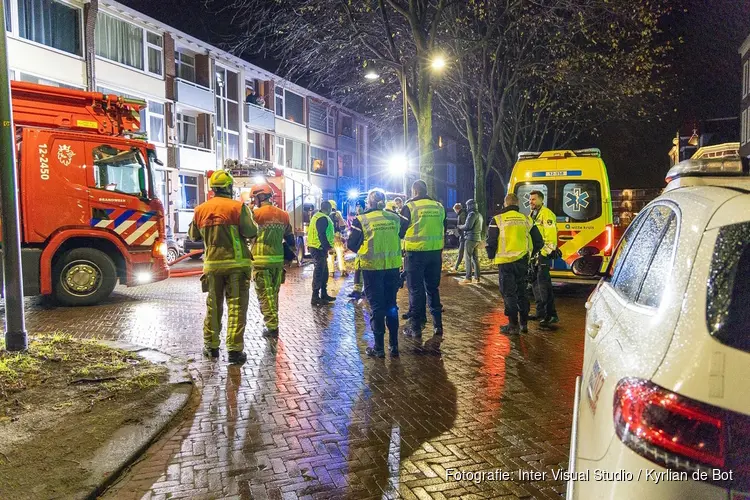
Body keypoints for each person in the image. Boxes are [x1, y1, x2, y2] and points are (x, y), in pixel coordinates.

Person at [189, 170, 257, 364]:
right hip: (237, 266)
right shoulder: (238, 207)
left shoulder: (200, 209)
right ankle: (235, 352)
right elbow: (251, 231)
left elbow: (193, 236)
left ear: (213, 188)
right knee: (236, 307)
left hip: (212, 266)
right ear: (228, 187)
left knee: (213, 306)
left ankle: (211, 347)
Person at [347, 189, 408, 357]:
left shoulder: (362, 220)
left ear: (369, 202)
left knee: (376, 307)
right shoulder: (395, 218)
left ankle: (379, 347)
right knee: (391, 306)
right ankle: (394, 346)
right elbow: (404, 228)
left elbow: (352, 244)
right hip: (392, 268)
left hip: (372, 269)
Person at [486, 193, 543, 335]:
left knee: (509, 293)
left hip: (505, 263)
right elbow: (539, 241)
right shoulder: (526, 219)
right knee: (522, 292)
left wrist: (491, 255)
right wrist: (530, 254)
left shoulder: (497, 219)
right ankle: (524, 324)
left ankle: (513, 325)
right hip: (522, 261)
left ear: (505, 204)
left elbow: (491, 241)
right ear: (517, 204)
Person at [401, 180, 447, 338]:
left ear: (414, 191)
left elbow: (401, 230)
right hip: (435, 253)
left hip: (415, 253)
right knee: (433, 288)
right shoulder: (438, 206)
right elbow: (443, 227)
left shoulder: (410, 207)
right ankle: (438, 325)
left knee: (416, 290)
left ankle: (416, 327)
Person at [250, 184, 296, 338]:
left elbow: (247, 234)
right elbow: (290, 238)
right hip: (278, 262)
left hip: (261, 262)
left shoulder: (255, 215)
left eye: (255, 197)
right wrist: (289, 258)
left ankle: (272, 326)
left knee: (264, 295)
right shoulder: (283, 215)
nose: (254, 200)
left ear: (260, 197)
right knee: (273, 294)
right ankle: (273, 321)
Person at [528, 190, 559, 328]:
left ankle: (551, 315)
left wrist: (544, 254)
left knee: (544, 286)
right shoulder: (532, 215)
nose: (531, 202)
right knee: (536, 285)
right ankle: (540, 312)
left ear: (541, 200)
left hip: (542, 255)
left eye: (534, 199)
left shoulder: (547, 214)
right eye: (530, 200)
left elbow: (551, 237)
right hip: (533, 255)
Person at [308, 201, 337, 306]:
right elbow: (322, 234)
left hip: (317, 247)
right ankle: (315, 297)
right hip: (318, 248)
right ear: (328, 208)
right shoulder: (323, 218)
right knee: (319, 272)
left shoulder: (317, 216)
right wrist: (328, 247)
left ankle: (323, 294)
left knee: (324, 271)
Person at [458, 199, 483, 284]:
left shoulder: (472, 214)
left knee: (467, 258)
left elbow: (468, 226)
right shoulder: (479, 214)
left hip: (470, 238)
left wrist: (460, 226)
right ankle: (477, 277)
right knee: (475, 258)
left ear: (470, 205)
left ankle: (468, 278)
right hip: (477, 238)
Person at [348, 199, 366, 300]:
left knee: (364, 270)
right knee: (358, 269)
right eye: (357, 206)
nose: (358, 208)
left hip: (365, 248)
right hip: (360, 249)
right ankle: (357, 291)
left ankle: (364, 291)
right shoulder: (357, 218)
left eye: (360, 206)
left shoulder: (364, 218)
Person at [326, 200, 348, 277]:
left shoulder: (325, 215)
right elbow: (342, 226)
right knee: (340, 253)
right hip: (337, 236)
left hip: (329, 238)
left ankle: (331, 271)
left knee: (330, 254)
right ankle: (343, 270)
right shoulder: (337, 214)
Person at [452, 203, 467, 272]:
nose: (455, 212)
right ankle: (473, 268)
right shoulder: (462, 214)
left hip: (464, 237)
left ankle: (456, 267)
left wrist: (459, 228)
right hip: (464, 236)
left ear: (457, 209)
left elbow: (464, 225)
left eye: (455, 210)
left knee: (461, 252)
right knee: (469, 254)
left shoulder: (462, 214)